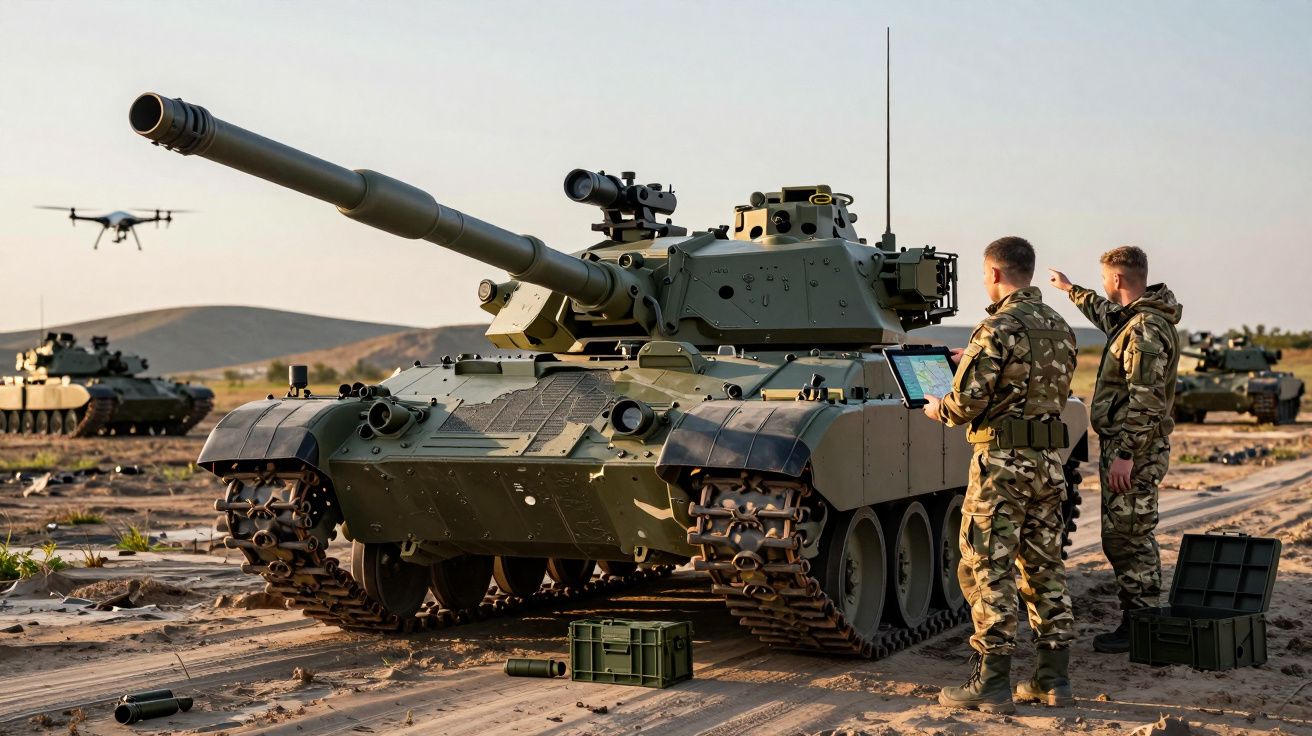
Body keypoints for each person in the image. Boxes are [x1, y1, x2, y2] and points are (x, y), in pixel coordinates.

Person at [924, 236, 1077, 713]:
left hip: (1002, 468)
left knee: (988, 567)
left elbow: (964, 404)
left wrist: (937, 407)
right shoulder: (1059, 326)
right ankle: (1053, 680)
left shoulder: (997, 327)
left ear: (993, 273)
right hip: (1048, 466)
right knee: (1044, 568)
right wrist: (966, 359)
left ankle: (990, 683)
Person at [1049, 246, 1182, 654]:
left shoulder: (1144, 330)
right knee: (1123, 535)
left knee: (1130, 537)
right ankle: (1138, 619)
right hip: (1130, 444)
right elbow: (1104, 312)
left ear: (1118, 280)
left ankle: (1141, 626)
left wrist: (1126, 453)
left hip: (1134, 448)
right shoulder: (1134, 319)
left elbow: (1147, 399)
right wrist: (1071, 289)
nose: (1105, 285)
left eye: (1106, 278)